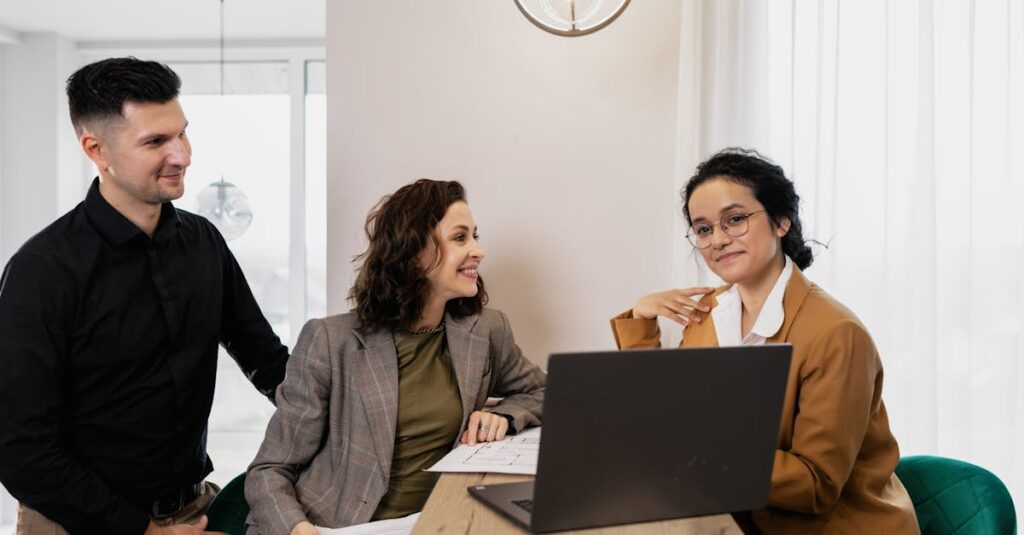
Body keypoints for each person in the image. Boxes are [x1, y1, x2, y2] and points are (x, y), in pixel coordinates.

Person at [0, 57, 290, 535]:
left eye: (181, 133)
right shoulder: (42, 271)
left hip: (191, 511)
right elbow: (21, 450)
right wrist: (143, 531)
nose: (182, 155)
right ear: (96, 149)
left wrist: (365, 416)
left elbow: (267, 360)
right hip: (80, 524)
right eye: (156, 142)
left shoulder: (204, 242)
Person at [610, 148, 919, 533]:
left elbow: (815, 484)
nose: (717, 240)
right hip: (735, 519)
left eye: (735, 220)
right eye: (704, 229)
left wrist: (696, 456)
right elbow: (664, 416)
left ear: (781, 221)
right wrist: (642, 321)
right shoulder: (707, 314)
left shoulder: (837, 333)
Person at [246, 179, 545, 535]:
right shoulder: (330, 340)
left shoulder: (485, 330)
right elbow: (270, 469)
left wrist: (505, 415)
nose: (478, 250)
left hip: (434, 521)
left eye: (476, 236)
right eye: (460, 237)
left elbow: (547, 393)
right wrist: (299, 530)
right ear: (414, 250)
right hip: (333, 525)